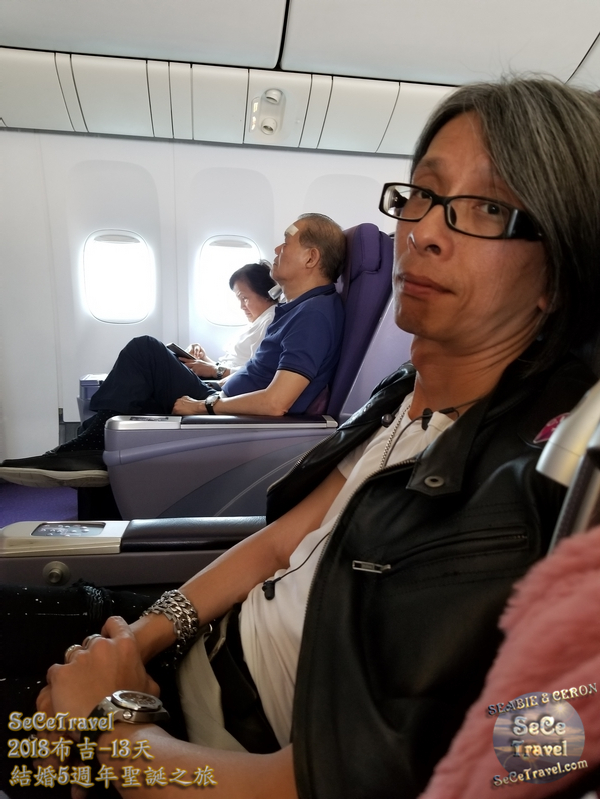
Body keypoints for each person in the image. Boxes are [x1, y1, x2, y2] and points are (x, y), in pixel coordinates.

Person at [3, 77, 600, 799]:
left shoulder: (526, 502)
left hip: (210, 743)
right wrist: (139, 637)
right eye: (423, 194)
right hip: (188, 656)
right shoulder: (401, 397)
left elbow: (326, 784)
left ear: (561, 271)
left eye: (489, 208)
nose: (424, 232)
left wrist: (111, 725)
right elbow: (278, 544)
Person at [0, 214, 346, 488]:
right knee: (150, 371)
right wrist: (218, 383)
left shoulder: (314, 315)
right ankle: (91, 449)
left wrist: (204, 405)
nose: (277, 249)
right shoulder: (298, 309)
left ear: (311, 257)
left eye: (287, 241)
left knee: (145, 351)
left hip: (241, 421)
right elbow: (262, 379)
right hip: (227, 399)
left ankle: (86, 450)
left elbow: (276, 402)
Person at [183, 260, 278, 381]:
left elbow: (256, 372)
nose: (241, 306)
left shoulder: (270, 321)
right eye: (239, 299)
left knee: (158, 351)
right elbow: (229, 367)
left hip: (225, 385)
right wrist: (203, 360)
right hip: (220, 379)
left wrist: (212, 370)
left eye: (244, 298)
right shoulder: (257, 321)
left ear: (266, 294)